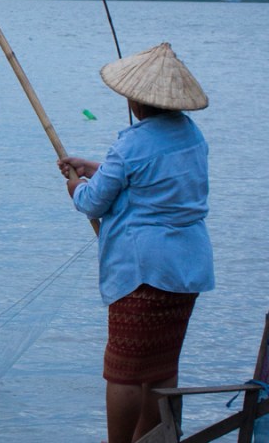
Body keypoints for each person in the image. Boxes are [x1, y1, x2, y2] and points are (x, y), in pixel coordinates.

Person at [57, 42, 215, 443]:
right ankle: (159, 439)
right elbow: (147, 178)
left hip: (144, 273)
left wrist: (76, 185)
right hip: (186, 268)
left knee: (124, 371)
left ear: (138, 101)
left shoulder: (131, 144)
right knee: (162, 368)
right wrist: (99, 167)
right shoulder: (191, 135)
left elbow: (93, 201)